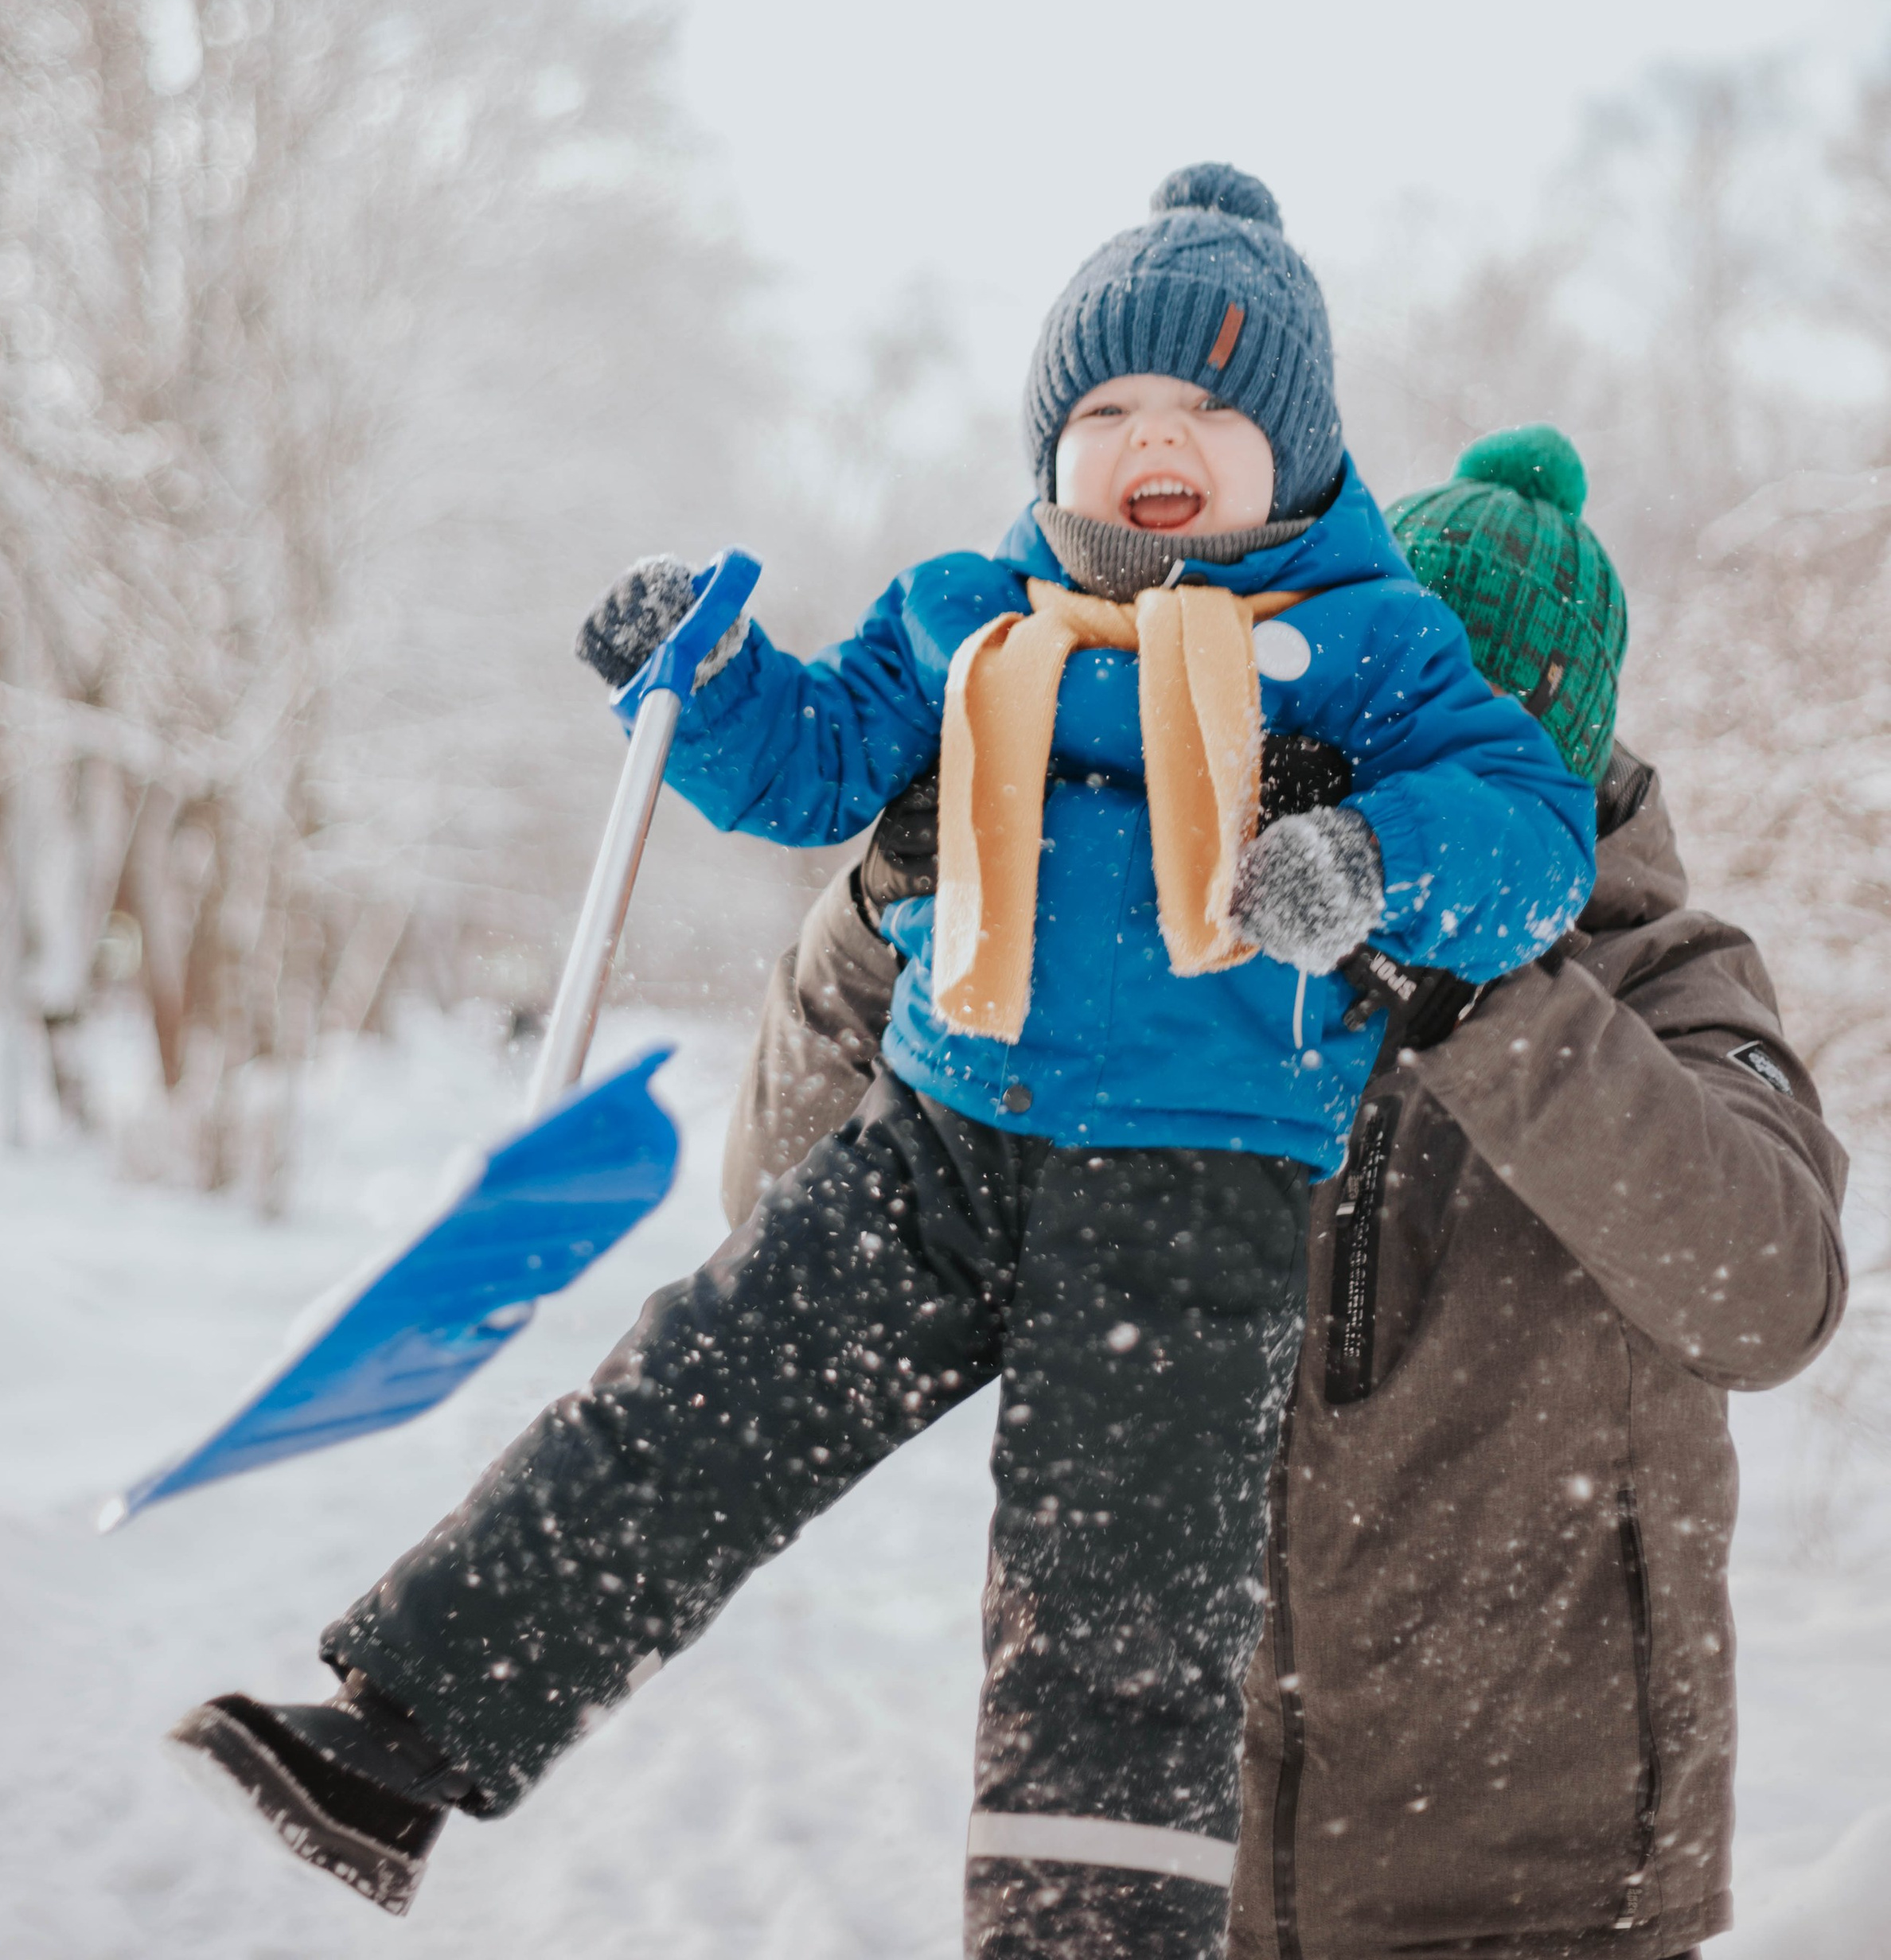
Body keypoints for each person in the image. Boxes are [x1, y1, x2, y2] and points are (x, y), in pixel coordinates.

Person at [170, 162, 1594, 1948]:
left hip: (1196, 1184)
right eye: (1104, 406)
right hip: (938, 1140)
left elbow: (1529, 833)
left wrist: (1375, 858)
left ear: (1296, 448)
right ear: (1044, 442)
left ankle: (1088, 1932)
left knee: (1119, 1614)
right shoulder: (958, 614)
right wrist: (709, 682)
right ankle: (398, 1740)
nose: (1151, 435)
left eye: (1207, 407)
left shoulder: (1372, 645)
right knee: (688, 1411)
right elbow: (812, 771)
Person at [727, 427, 1850, 1960]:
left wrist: (1475, 982)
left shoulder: (1666, 980)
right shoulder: (1177, 950)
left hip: (1541, 1886)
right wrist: (881, 918)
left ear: (1545, 759)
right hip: (1157, 1851)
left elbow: (1768, 1289)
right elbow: (786, 1213)